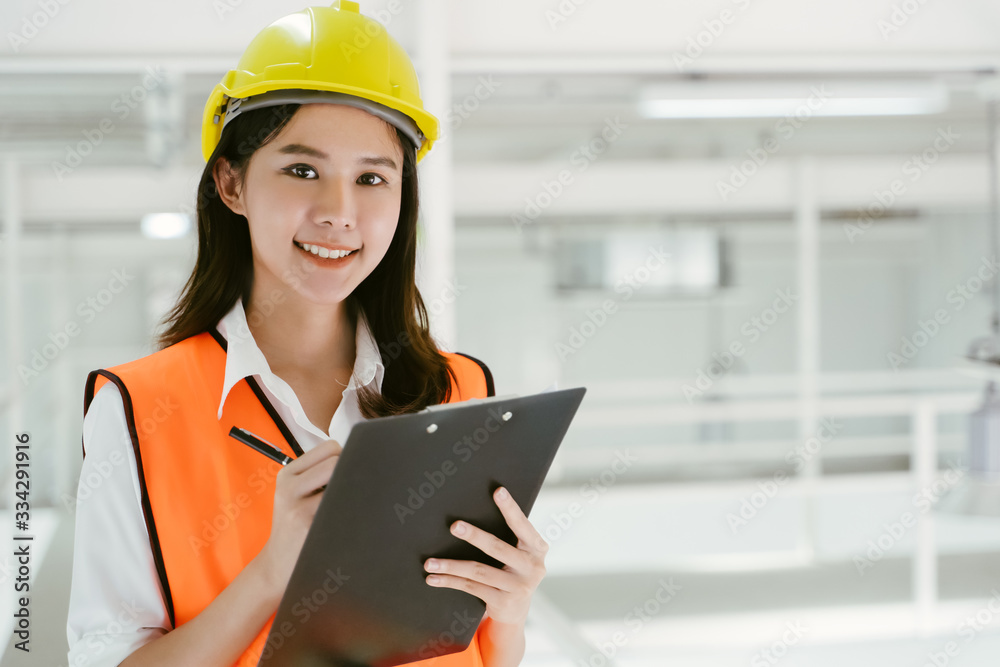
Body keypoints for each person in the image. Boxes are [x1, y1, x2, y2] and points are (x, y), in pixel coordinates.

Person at [65, 3, 549, 666]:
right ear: (230, 182)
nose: (339, 214)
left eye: (372, 178)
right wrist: (271, 573)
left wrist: (513, 613)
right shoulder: (139, 408)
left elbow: (484, 656)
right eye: (302, 170)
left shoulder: (462, 390)